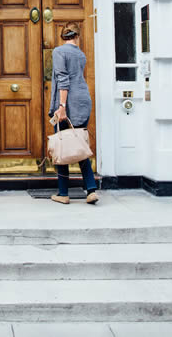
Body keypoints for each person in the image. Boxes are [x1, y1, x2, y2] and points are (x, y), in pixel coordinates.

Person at [49, 22, 98, 205]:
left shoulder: (59, 52)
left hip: (68, 104)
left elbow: (63, 80)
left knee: (62, 143)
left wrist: (61, 106)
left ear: (64, 36)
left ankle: (63, 192)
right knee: (78, 142)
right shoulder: (80, 54)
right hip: (83, 101)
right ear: (77, 36)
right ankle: (91, 189)